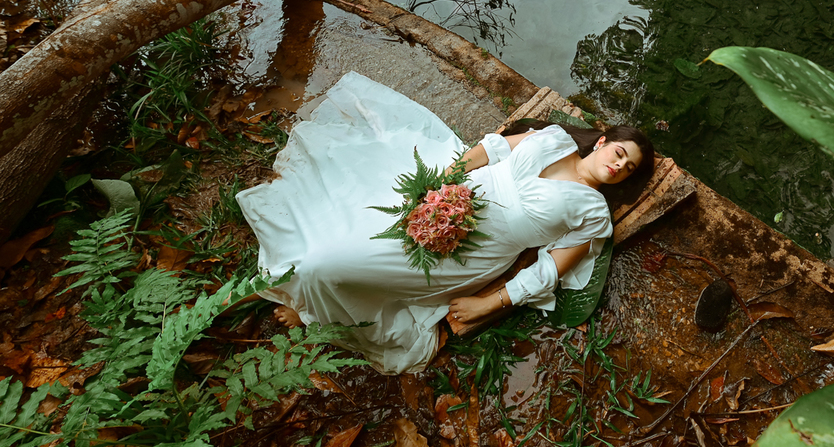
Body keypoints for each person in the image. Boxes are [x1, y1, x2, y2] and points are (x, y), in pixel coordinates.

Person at [236, 72, 655, 374]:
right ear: (602, 142)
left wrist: (489, 304)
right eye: (619, 153)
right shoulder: (554, 138)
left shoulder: (593, 213)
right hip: (445, 200)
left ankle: (312, 311)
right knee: (344, 237)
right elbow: (492, 150)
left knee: (336, 266)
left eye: (629, 168)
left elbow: (549, 270)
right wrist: (441, 179)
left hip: (473, 252)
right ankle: (305, 291)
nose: (619, 166)